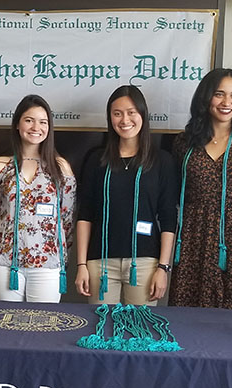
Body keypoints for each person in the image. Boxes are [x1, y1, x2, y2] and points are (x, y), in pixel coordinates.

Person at [169, 68, 232, 334]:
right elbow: (178, 194)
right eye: (219, 94)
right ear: (206, 98)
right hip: (195, 237)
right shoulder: (184, 142)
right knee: (192, 321)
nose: (227, 102)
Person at [75, 85, 178, 305]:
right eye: (117, 113)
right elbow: (85, 214)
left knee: (139, 332)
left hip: (144, 263)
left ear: (142, 114)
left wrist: (163, 267)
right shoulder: (96, 160)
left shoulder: (162, 161)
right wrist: (81, 264)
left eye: (132, 112)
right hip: (100, 263)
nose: (125, 120)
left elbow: (169, 218)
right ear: (110, 117)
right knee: (101, 330)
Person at [0, 95, 75, 302]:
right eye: (29, 120)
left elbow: (66, 220)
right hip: (4, 261)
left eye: (43, 122)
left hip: (48, 261)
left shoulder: (61, 168)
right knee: (6, 323)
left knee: (43, 324)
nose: (36, 127)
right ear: (17, 124)